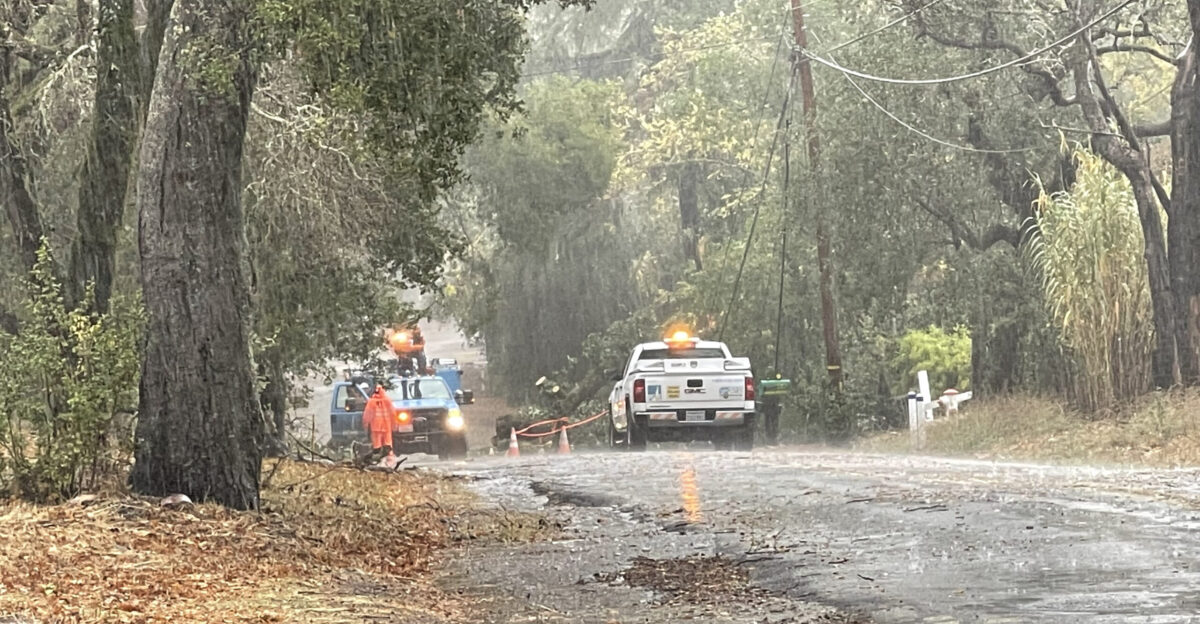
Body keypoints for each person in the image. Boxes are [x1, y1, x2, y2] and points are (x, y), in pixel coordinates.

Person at [362, 385, 398, 457]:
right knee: (388, 445)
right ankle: (389, 459)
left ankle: (378, 458)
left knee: (377, 445)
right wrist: (394, 425)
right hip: (387, 427)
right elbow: (393, 414)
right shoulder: (388, 401)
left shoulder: (371, 402)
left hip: (376, 428)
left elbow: (367, 415)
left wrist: (365, 424)